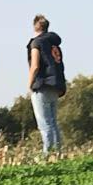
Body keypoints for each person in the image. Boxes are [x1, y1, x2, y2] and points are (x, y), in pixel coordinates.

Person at [26, 15, 66, 154]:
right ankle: (58, 153)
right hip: (55, 86)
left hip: (42, 85)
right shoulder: (54, 43)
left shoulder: (36, 43)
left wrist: (30, 84)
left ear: (34, 26)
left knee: (45, 124)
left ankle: (47, 154)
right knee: (53, 122)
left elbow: (35, 66)